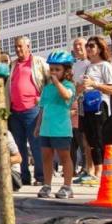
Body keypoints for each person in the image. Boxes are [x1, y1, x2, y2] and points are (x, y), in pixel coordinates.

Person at [33, 51, 77, 199]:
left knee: (64, 157)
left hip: (61, 129)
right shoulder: (47, 88)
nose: (53, 72)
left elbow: (66, 96)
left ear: (66, 71)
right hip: (46, 128)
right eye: (51, 69)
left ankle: (67, 186)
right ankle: (47, 185)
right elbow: (42, 108)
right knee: (46, 157)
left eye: (57, 69)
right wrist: (38, 126)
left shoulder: (69, 85)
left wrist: (57, 82)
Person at [7, 36, 49, 186]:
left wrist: (43, 98)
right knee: (18, 146)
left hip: (33, 110)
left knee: (36, 144)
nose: (18, 49)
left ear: (28, 46)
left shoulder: (38, 62)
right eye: (16, 47)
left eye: (20, 46)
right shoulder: (12, 65)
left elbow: (49, 82)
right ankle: (24, 176)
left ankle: (41, 176)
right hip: (15, 112)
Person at [80, 36, 112, 184]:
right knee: (90, 140)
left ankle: (101, 171)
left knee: (100, 137)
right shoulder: (88, 66)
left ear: (100, 49)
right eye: (87, 46)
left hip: (100, 104)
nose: (88, 48)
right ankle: (95, 170)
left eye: (92, 46)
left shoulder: (105, 66)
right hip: (86, 105)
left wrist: (94, 84)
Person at [69, 37, 93, 183]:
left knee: (84, 138)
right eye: (75, 45)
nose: (78, 47)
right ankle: (72, 169)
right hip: (73, 104)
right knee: (72, 140)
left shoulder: (92, 64)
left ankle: (87, 168)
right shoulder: (74, 66)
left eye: (80, 45)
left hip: (87, 104)